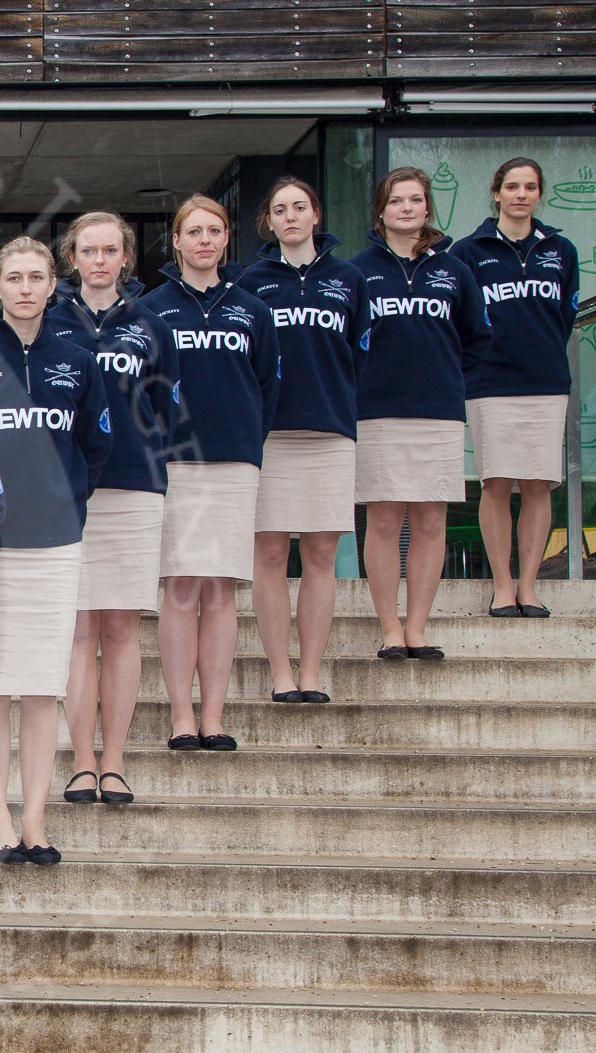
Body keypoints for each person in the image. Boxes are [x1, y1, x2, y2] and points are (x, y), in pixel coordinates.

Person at [0, 238, 111, 864]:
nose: (26, 288)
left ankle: (35, 820)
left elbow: (96, 446)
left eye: (37, 277)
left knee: (42, 690)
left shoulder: (78, 360)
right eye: (14, 277)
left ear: (52, 284)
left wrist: (65, 501)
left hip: (55, 547)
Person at [49, 212, 180, 806]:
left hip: (134, 487)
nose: (98, 260)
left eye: (109, 250)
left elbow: (168, 410)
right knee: (79, 631)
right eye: (88, 250)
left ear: (126, 257)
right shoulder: (50, 323)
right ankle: (82, 761)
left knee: (123, 628)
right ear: (72, 257)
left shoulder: (152, 325)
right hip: (70, 493)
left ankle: (116, 762)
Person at [141, 196, 280, 750]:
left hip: (234, 462)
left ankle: (214, 717)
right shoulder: (150, 310)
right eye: (193, 231)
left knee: (221, 590)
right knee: (180, 589)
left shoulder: (253, 309)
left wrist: (246, 439)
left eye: (214, 231)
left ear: (226, 240)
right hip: (174, 464)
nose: (204, 240)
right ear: (176, 241)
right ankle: (181, 716)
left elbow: (267, 386)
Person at [237, 178, 371, 704]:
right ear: (268, 222)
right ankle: (281, 674)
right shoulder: (249, 282)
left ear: (316, 214)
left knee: (320, 556)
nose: (290, 217)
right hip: (269, 435)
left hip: (330, 433)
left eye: (299, 207)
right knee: (269, 554)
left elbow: (360, 353)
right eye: (279, 210)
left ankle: (311, 672)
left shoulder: (349, 278)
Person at [351, 168, 492, 660]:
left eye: (415, 200)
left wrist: (443, 377)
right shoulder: (357, 272)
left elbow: (477, 339)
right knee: (384, 521)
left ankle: (417, 628)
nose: (406, 208)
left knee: (431, 521)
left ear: (427, 207)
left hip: (439, 412)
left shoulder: (454, 270)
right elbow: (344, 342)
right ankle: (390, 628)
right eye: (396, 200)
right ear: (381, 210)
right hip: (377, 412)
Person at [451, 157, 579, 619]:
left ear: (539, 194)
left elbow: (565, 315)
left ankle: (529, 585)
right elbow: (462, 320)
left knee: (539, 484)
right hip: (490, 382)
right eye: (512, 186)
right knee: (497, 482)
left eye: (529, 187)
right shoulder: (468, 251)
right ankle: (502, 586)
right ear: (496, 193)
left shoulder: (561, 250)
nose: (521, 194)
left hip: (546, 381)